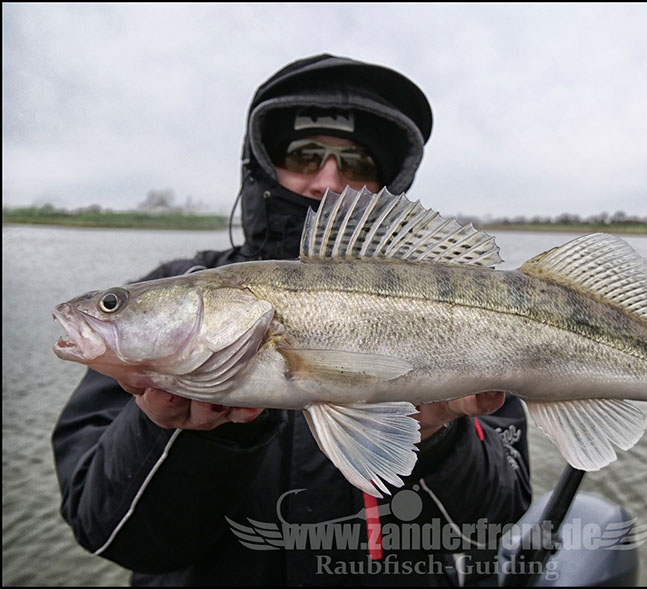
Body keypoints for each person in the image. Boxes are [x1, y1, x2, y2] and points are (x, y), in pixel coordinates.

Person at [52, 54, 532, 586]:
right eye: (304, 155)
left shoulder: (471, 304)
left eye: (357, 164)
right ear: (261, 166)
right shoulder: (170, 288)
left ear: (386, 183)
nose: (328, 181)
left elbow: (493, 520)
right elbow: (106, 532)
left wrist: (437, 436)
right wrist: (183, 434)